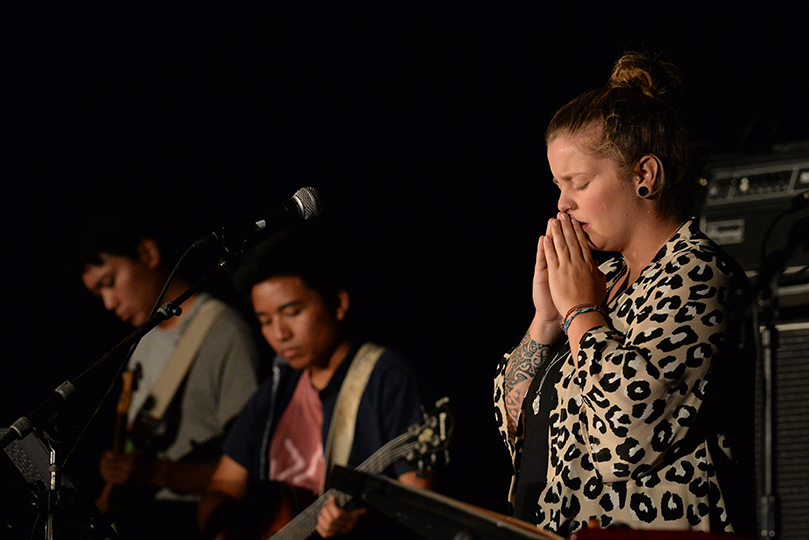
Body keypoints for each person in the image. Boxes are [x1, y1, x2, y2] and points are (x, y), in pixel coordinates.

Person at [493, 51, 755, 537]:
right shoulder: (601, 276)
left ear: (644, 175)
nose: (562, 203)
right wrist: (546, 321)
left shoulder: (698, 274)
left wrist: (581, 313)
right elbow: (522, 423)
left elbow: (626, 440)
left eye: (578, 183)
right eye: (558, 185)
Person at [198, 226, 432, 539]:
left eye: (292, 312)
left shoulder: (387, 378)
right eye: (265, 321)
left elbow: (422, 507)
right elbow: (223, 486)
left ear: (338, 303)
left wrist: (358, 526)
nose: (279, 334)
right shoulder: (277, 390)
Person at [74, 207, 263, 539]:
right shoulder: (143, 340)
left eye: (110, 283)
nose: (108, 303)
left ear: (148, 253)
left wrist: (161, 473)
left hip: (200, 520)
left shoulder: (224, 331)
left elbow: (256, 465)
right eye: (98, 294)